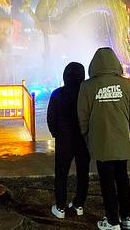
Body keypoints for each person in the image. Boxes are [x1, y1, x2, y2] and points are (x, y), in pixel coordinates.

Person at [78, 47, 130, 230]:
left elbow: (82, 115)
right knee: (122, 178)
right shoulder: (126, 84)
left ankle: (112, 221)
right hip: (121, 139)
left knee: (106, 181)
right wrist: (127, 130)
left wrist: (87, 135)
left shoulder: (87, 86)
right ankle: (126, 217)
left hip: (100, 140)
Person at [47, 62, 90, 219]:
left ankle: (60, 207)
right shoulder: (87, 94)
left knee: (61, 173)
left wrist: (55, 133)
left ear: (65, 76)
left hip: (64, 140)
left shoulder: (58, 93)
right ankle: (79, 204)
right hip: (83, 139)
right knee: (83, 172)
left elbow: (51, 118)